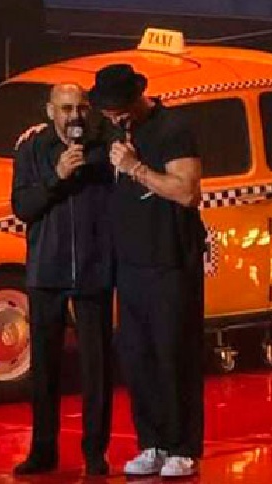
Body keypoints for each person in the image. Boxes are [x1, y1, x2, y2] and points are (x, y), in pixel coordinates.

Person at [89, 63, 206, 478]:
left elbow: (187, 192)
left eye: (117, 109)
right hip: (130, 262)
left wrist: (135, 168)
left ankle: (182, 447)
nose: (112, 117)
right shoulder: (113, 130)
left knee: (173, 354)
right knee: (138, 357)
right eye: (107, 111)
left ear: (135, 99)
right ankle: (152, 443)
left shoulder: (173, 129)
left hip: (170, 261)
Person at [11, 83, 114, 476]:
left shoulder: (103, 149)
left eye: (82, 108)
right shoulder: (32, 149)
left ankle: (95, 451)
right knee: (45, 366)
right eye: (67, 108)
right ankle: (43, 450)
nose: (75, 116)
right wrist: (57, 175)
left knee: (96, 366)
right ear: (50, 111)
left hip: (93, 268)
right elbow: (23, 207)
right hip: (47, 269)